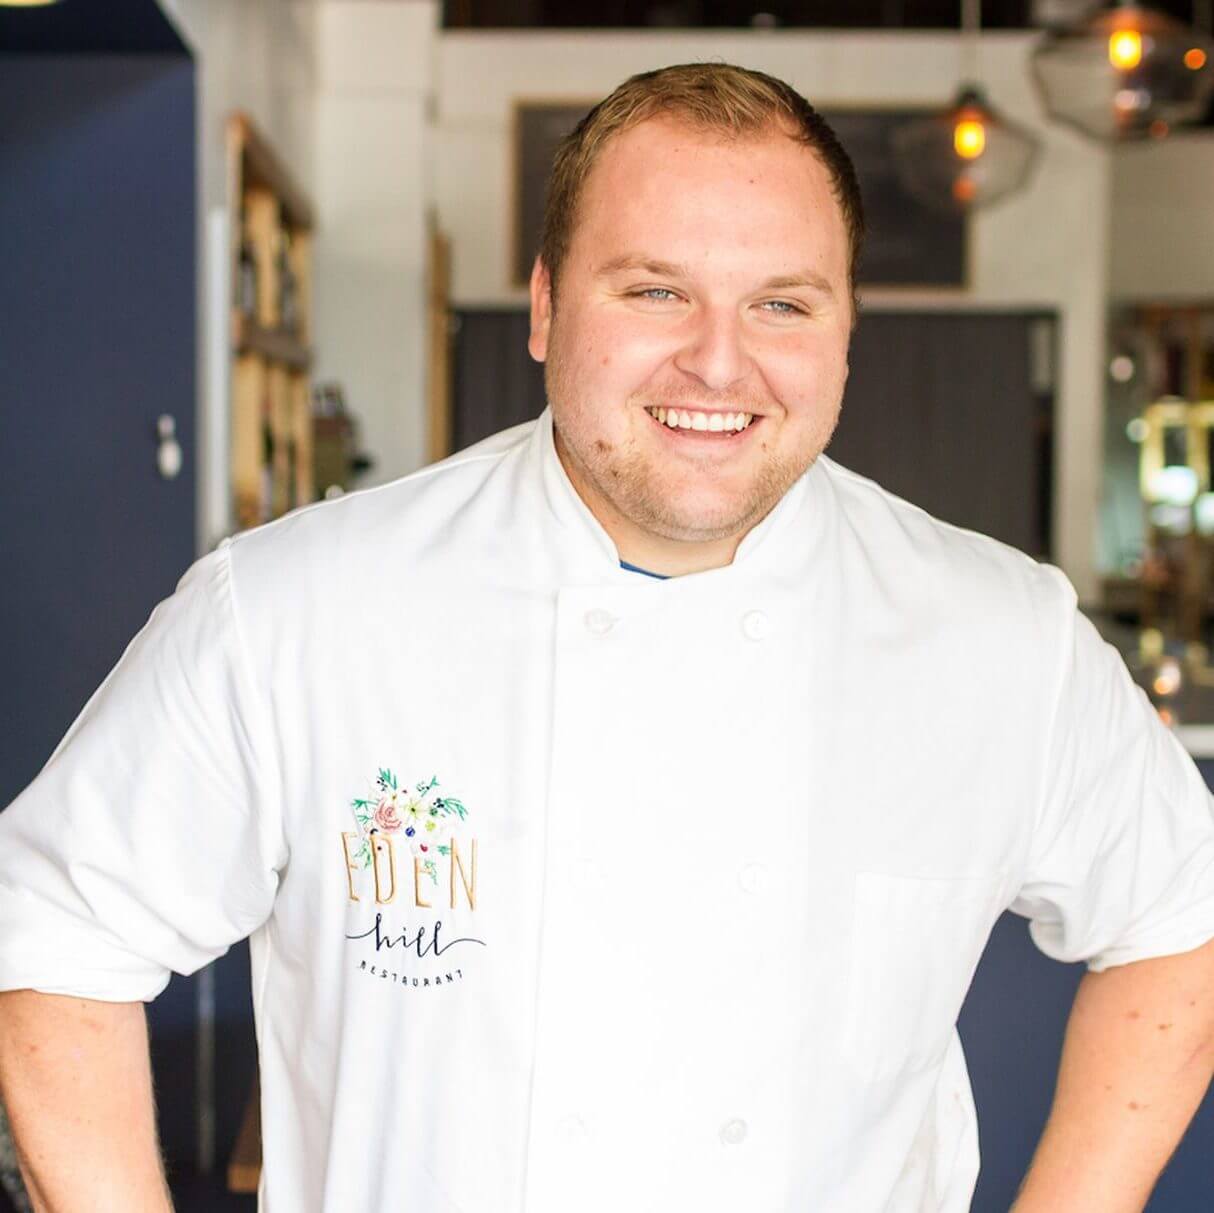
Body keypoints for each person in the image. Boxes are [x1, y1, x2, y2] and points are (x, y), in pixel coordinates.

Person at [1, 60, 1213, 1213]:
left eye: (781, 304)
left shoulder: (997, 637)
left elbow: (1181, 922)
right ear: (543, 306)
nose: (718, 363)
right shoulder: (294, 608)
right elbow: (50, 935)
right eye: (653, 291)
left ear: (845, 329)